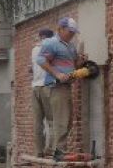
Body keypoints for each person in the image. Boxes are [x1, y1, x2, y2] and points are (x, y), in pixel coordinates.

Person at [37, 17, 86, 160]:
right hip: (56, 85)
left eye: (73, 32)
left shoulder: (70, 46)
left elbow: (73, 65)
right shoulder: (51, 43)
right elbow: (41, 60)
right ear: (61, 29)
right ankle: (58, 151)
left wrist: (80, 61)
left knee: (68, 119)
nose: (72, 34)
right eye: (70, 31)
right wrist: (57, 73)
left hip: (66, 85)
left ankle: (59, 150)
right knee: (62, 119)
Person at [31, 28, 54, 157]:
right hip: (46, 86)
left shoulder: (34, 50)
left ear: (41, 36)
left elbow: (33, 68)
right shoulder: (50, 47)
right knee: (52, 120)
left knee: (38, 122)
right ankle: (51, 149)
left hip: (35, 87)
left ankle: (39, 151)